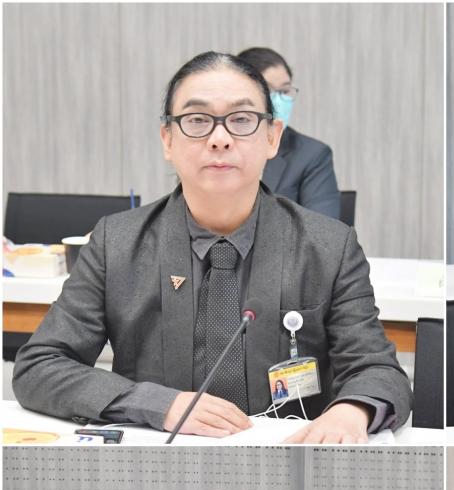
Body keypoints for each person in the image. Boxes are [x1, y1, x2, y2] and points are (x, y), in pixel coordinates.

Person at [12, 51, 411, 444]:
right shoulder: (116, 242)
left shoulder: (328, 246)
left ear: (272, 137)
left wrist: (351, 410)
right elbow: (40, 366)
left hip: (288, 458)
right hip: (158, 459)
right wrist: (158, 404)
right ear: (168, 140)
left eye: (241, 120)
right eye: (197, 121)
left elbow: (378, 370)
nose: (220, 139)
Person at [237, 46, 341, 219]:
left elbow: (324, 231)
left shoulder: (311, 155)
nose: (278, 100)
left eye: (285, 91)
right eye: (268, 90)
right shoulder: (219, 146)